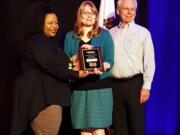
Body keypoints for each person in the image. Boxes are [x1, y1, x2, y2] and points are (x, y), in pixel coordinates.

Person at [10, 2, 89, 135]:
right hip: (44, 101)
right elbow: (51, 65)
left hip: (44, 100)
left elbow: (55, 63)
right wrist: (77, 74)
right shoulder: (39, 41)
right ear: (40, 23)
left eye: (56, 23)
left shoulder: (43, 42)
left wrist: (73, 59)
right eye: (50, 23)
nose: (55, 26)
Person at [63, 1, 114, 135]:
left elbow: (110, 61)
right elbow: (65, 64)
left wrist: (102, 67)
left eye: (92, 13)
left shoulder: (105, 35)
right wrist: (75, 61)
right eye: (85, 12)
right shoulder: (70, 37)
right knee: (84, 130)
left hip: (100, 88)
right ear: (80, 15)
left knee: (98, 129)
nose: (89, 16)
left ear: (96, 16)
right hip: (80, 88)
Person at [109, 0, 155, 135]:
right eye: (126, 9)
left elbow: (149, 61)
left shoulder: (143, 33)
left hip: (134, 85)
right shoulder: (110, 33)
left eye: (132, 9)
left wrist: (146, 86)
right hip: (114, 86)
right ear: (118, 11)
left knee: (137, 127)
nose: (129, 12)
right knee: (118, 127)